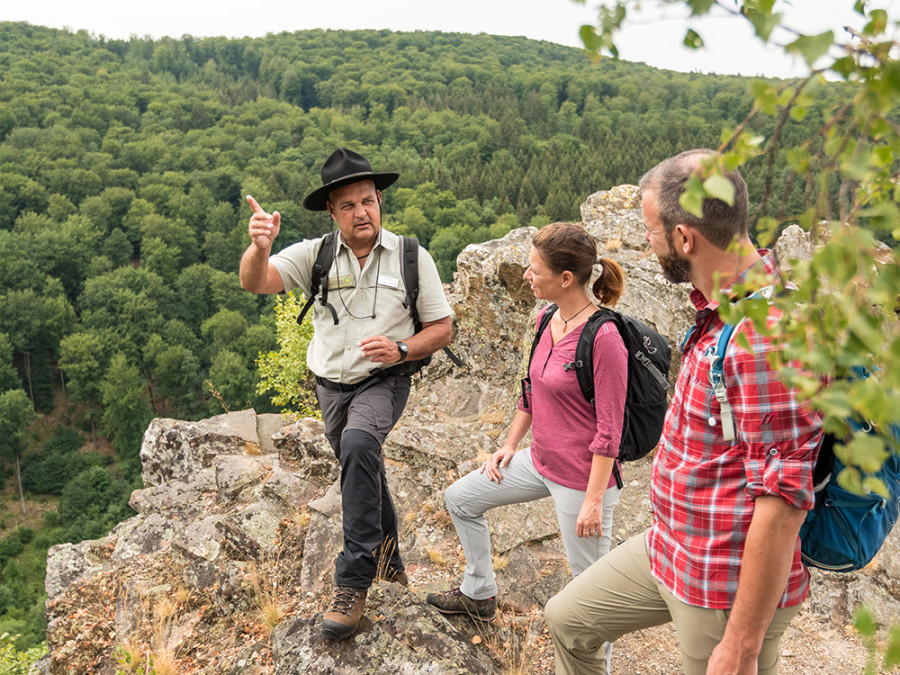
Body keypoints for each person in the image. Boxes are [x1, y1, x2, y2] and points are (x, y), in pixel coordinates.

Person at [544, 150, 824, 675]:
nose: (646, 244)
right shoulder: (721, 310)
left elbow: (783, 503)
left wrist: (740, 643)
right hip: (671, 547)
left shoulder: (769, 336)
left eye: (651, 231)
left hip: (723, 581)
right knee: (567, 619)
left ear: (684, 238)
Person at [239, 147, 453, 640]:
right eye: (349, 205)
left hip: (385, 379)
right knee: (364, 468)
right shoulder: (314, 255)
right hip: (329, 386)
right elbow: (256, 282)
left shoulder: (410, 257)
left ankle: (353, 582)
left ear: (380, 201)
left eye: (368, 201)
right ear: (333, 213)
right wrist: (260, 247)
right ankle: (391, 564)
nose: (362, 212)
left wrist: (402, 348)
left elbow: (442, 327)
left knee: (359, 446)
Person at [427, 222, 627, 672]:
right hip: (539, 461)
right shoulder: (544, 319)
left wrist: (594, 501)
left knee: (592, 593)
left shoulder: (605, 337)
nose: (525, 276)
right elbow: (530, 392)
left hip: (582, 480)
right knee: (460, 499)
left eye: (534, 269)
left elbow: (609, 431)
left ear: (566, 278)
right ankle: (479, 594)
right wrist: (509, 444)